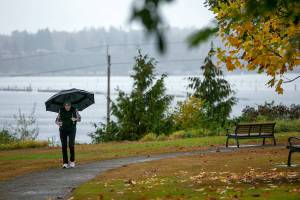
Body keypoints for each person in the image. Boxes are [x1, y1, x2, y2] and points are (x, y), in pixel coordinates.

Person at [55, 101, 81, 168]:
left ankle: (72, 161)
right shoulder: (61, 110)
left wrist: (75, 119)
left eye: (68, 105)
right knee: (64, 146)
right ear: (64, 106)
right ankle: (65, 163)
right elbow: (56, 121)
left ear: (70, 105)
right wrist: (58, 123)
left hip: (72, 130)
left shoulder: (75, 110)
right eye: (66, 106)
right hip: (63, 130)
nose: (67, 107)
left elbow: (80, 119)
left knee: (71, 145)